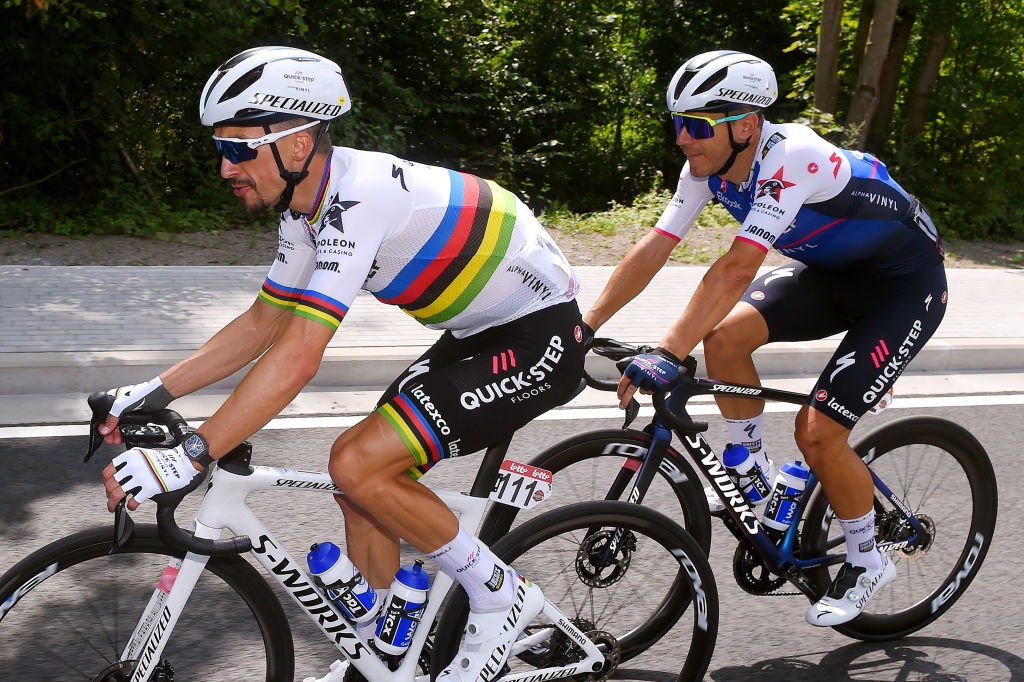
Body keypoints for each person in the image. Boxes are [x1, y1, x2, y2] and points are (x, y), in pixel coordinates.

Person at [98, 46, 586, 681]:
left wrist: (194, 452)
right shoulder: (309, 209)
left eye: (241, 148)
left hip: (539, 337)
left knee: (358, 462)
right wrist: (150, 393)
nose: (225, 167)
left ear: (298, 145)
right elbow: (261, 324)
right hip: (479, 331)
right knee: (358, 483)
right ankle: (392, 651)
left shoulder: (358, 200)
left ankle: (501, 595)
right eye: (220, 147)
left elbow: (300, 354)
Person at [582, 50, 946, 626]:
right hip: (831, 277)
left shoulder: (791, 156)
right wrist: (585, 325)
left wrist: (667, 351)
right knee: (724, 340)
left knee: (819, 434)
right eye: (677, 122)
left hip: (902, 289)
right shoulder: (705, 168)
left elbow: (735, 270)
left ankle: (867, 555)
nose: (683, 138)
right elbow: (655, 246)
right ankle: (753, 468)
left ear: (746, 125)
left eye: (698, 125)